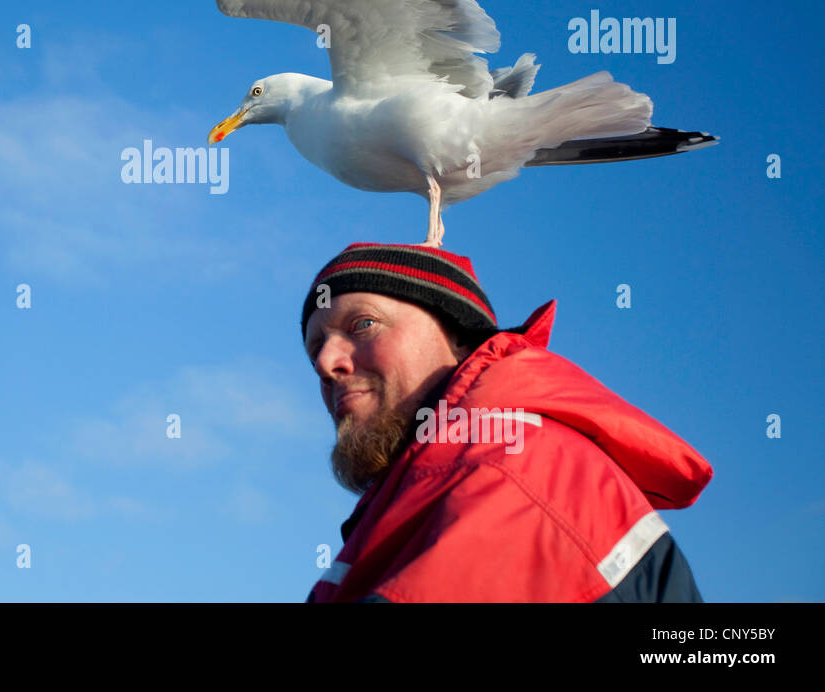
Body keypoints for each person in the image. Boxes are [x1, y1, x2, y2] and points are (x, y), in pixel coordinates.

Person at [300, 243, 712, 602]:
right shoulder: (436, 480)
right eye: (315, 347)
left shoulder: (510, 461)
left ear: (459, 337)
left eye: (363, 324)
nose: (324, 363)